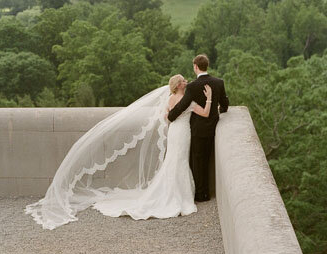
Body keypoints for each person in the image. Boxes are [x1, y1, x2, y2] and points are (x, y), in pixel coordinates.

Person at [26, 68, 214, 229]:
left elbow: (166, 117)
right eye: (183, 81)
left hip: (174, 132)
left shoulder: (171, 99)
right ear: (179, 85)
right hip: (182, 133)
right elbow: (205, 113)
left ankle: (171, 193)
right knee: (178, 161)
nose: (186, 82)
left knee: (174, 161)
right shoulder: (187, 101)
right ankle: (179, 197)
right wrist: (210, 99)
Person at [167, 53, 229, 202]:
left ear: (195, 67)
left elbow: (182, 106)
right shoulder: (218, 82)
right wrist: (220, 110)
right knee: (207, 160)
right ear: (206, 65)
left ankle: (201, 194)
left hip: (196, 130)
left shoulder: (192, 86)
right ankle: (205, 193)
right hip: (213, 127)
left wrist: (171, 116)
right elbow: (225, 104)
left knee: (197, 162)